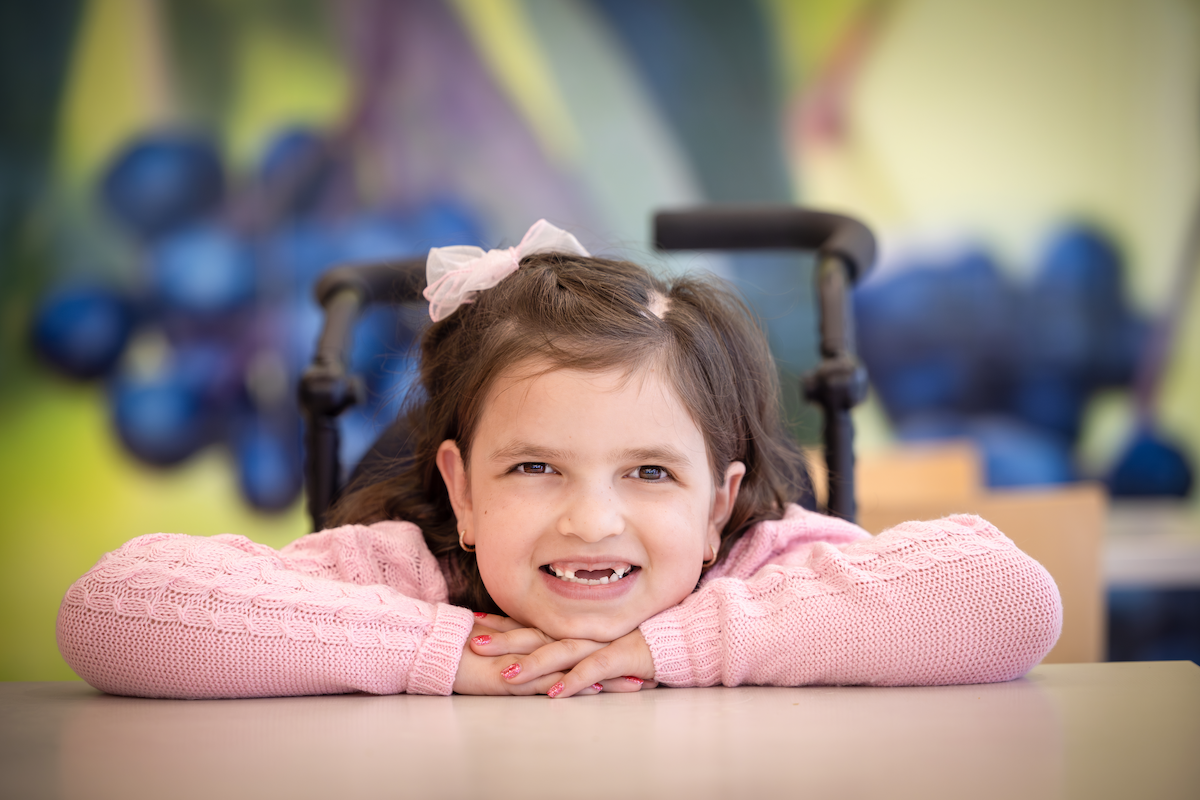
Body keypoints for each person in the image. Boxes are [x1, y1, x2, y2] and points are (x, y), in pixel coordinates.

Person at [57, 220, 1062, 700]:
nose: (592, 521)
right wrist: (439, 654)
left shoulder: (759, 567)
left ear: (721, 501)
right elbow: (111, 612)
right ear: (460, 487)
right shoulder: (411, 571)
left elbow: (1011, 598)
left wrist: (684, 647)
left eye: (649, 472)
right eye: (535, 468)